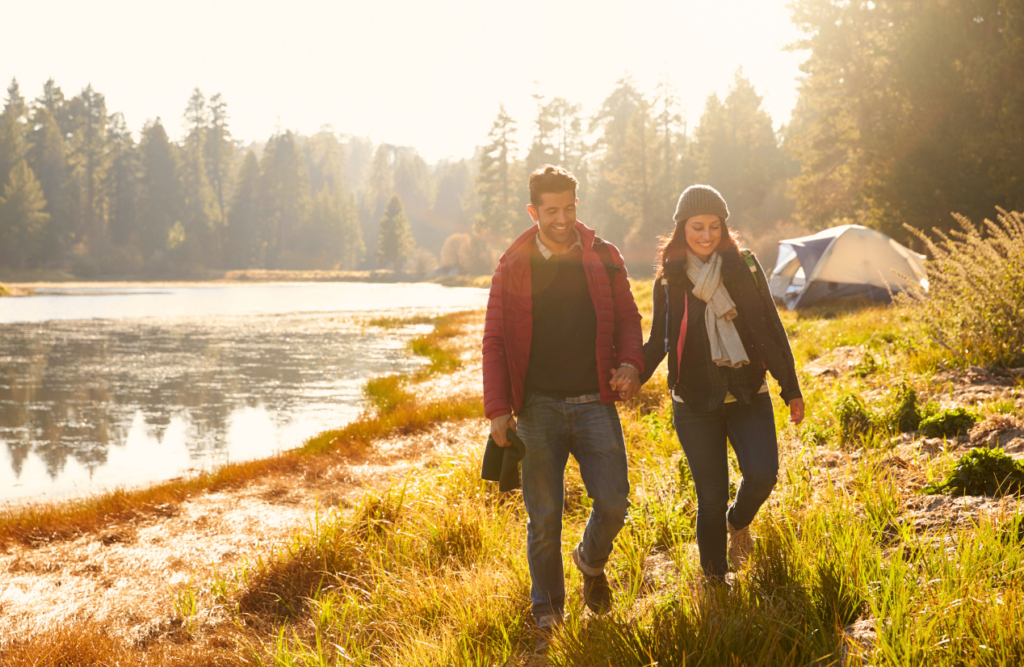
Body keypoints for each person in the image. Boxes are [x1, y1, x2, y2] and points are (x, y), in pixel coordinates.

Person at [482, 165, 645, 646]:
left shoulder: (605, 256)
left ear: (577, 204)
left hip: (596, 400)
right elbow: (493, 340)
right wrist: (498, 410)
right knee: (545, 516)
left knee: (614, 501)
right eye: (550, 210)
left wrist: (632, 366)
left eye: (569, 208)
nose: (561, 219)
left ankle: (590, 562)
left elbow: (630, 320)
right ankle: (548, 609)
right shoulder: (513, 265)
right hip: (537, 409)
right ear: (533, 211)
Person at [639, 184, 804, 585]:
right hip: (694, 400)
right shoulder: (670, 278)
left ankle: (739, 522)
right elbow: (661, 339)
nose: (707, 235)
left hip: (748, 390)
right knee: (710, 497)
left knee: (763, 473)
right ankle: (715, 582)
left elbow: (770, 324)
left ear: (724, 228)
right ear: (682, 228)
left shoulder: (744, 265)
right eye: (698, 226)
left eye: (715, 226)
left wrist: (791, 386)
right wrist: (631, 376)